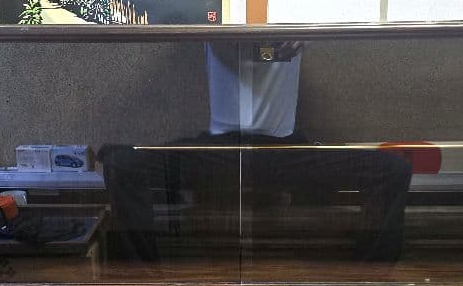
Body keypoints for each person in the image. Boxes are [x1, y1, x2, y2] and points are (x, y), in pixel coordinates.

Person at [100, 41, 411, 263]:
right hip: (221, 150)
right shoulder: (214, 16)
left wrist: (290, 39)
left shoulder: (294, 20)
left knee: (393, 169)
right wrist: (269, 47)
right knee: (121, 162)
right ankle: (140, 285)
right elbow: (222, 37)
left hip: (284, 150)